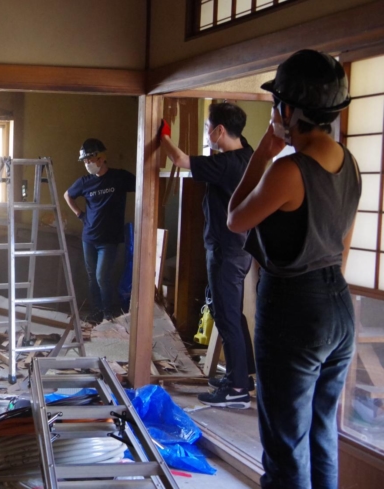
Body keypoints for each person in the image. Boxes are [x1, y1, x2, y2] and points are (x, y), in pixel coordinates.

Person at [228, 50, 357, 489]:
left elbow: (235, 218)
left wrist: (265, 149)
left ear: (287, 110)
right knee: (322, 433)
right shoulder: (350, 163)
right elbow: (343, 243)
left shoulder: (289, 170)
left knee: (285, 444)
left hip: (295, 309)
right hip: (339, 304)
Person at [159, 103, 257, 409]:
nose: (206, 133)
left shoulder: (226, 163)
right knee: (232, 314)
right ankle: (244, 376)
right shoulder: (248, 155)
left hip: (227, 250)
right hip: (241, 248)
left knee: (227, 317)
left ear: (220, 131)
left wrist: (161, 134)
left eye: (207, 127)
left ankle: (238, 388)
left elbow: (179, 159)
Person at [63, 138, 136, 324]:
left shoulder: (119, 177)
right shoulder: (85, 182)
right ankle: (96, 312)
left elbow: (143, 184)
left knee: (102, 276)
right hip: (89, 238)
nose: (87, 164)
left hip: (109, 240)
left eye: (90, 159)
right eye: (85, 161)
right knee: (92, 278)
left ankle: (108, 314)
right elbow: (67, 195)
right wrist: (80, 214)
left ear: (102, 158)